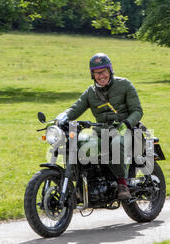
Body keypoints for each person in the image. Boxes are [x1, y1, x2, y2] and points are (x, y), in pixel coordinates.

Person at [55, 53, 143, 200]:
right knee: (80, 143)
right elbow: (76, 108)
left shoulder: (125, 85)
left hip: (125, 130)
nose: (101, 76)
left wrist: (127, 124)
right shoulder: (91, 92)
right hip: (101, 131)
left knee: (116, 144)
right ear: (92, 75)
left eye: (103, 71)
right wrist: (61, 117)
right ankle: (85, 183)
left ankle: (122, 183)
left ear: (110, 70)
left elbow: (137, 111)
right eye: (97, 73)